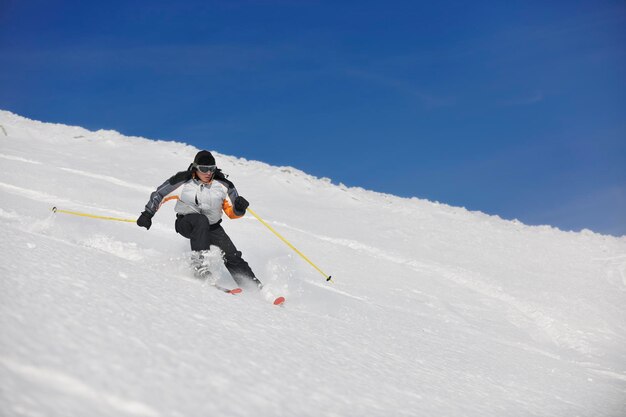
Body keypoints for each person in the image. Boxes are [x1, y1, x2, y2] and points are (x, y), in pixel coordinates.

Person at [136, 150, 262, 289]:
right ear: (196, 167)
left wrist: (239, 209)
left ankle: (252, 286)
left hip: (213, 227)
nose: (208, 173)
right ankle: (199, 267)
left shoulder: (224, 186)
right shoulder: (183, 181)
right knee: (200, 220)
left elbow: (232, 213)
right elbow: (159, 194)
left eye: (211, 169)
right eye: (204, 169)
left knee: (231, 254)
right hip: (186, 223)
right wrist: (147, 214)